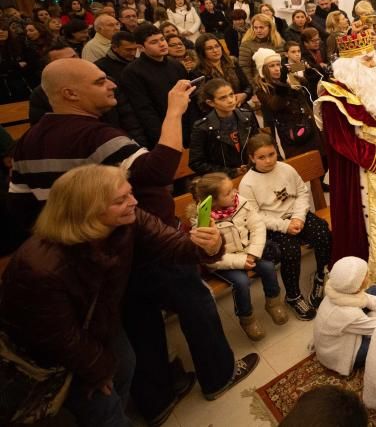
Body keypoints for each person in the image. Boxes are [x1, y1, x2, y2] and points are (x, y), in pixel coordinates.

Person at [6, 59, 255, 421]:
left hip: (99, 258)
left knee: (139, 323)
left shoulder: (28, 141)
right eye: (99, 81)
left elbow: (21, 210)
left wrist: (79, 233)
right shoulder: (95, 136)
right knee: (195, 304)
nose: (111, 84)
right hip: (142, 247)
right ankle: (218, 376)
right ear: (70, 93)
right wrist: (174, 111)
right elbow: (158, 171)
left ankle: (157, 401)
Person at [0, 164, 224, 427]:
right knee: (101, 405)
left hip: (99, 322)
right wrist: (97, 370)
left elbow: (171, 244)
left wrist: (210, 247)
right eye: (121, 199)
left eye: (129, 193)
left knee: (125, 364)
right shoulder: (40, 266)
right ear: (89, 210)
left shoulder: (128, 219)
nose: (134, 201)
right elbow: (60, 338)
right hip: (48, 353)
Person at [317, 30, 376, 290]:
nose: (375, 65)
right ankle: (369, 278)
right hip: (357, 173)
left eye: (373, 59)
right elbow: (340, 141)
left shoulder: (370, 90)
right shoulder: (333, 96)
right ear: (351, 66)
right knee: (368, 224)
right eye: (367, 60)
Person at [239, 133, 331, 320]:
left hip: (297, 216)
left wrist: (298, 218)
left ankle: (321, 275)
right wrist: (284, 226)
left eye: (272, 154)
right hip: (274, 225)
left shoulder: (286, 169)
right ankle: (293, 295)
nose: (268, 161)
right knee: (290, 251)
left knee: (322, 232)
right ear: (251, 158)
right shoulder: (247, 183)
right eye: (261, 157)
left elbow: (301, 193)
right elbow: (254, 217)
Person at [190, 172, 289, 340]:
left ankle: (273, 303)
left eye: (233, 189)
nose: (235, 192)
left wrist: (252, 253)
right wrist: (242, 262)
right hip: (223, 261)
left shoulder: (241, 203)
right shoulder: (202, 222)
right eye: (228, 192)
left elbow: (258, 227)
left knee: (268, 267)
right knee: (242, 282)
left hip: (247, 252)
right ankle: (247, 319)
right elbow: (212, 259)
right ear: (213, 201)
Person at [120, 23, 192, 147]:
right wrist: (162, 139)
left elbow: (189, 97)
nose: (162, 44)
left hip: (186, 126)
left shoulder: (175, 64)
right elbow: (144, 111)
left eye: (162, 39)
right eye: (154, 42)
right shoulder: (132, 72)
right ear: (141, 47)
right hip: (161, 133)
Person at [313, 256, 376, 374]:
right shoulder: (348, 314)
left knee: (375, 290)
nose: (369, 275)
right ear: (356, 285)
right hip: (338, 354)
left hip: (347, 328)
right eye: (365, 275)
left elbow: (368, 299)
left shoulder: (337, 290)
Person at [253, 48, 322, 159]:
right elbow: (275, 105)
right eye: (271, 66)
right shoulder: (262, 89)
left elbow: (310, 85)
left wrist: (308, 70)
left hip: (310, 128)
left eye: (278, 65)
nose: (277, 69)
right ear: (263, 69)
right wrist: (283, 83)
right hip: (291, 136)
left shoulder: (292, 78)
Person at [189, 78, 260, 176]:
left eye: (231, 95)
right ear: (211, 103)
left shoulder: (246, 116)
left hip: (252, 172)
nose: (230, 100)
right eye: (223, 98)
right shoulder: (202, 128)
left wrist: (252, 164)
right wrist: (232, 172)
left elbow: (258, 145)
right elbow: (196, 163)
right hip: (223, 180)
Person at [192, 33, 252, 112]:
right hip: (218, 114)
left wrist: (244, 95)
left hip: (241, 109)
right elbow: (201, 102)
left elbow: (248, 87)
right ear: (202, 52)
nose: (215, 50)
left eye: (217, 46)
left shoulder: (232, 62)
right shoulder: (197, 72)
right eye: (209, 48)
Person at [238, 13, 285, 81]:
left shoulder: (279, 42)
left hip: (280, 80)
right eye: (255, 27)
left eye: (261, 27)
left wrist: (301, 66)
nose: (258, 31)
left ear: (270, 27)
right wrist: (254, 85)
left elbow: (286, 63)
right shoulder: (246, 44)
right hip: (259, 82)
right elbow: (245, 68)